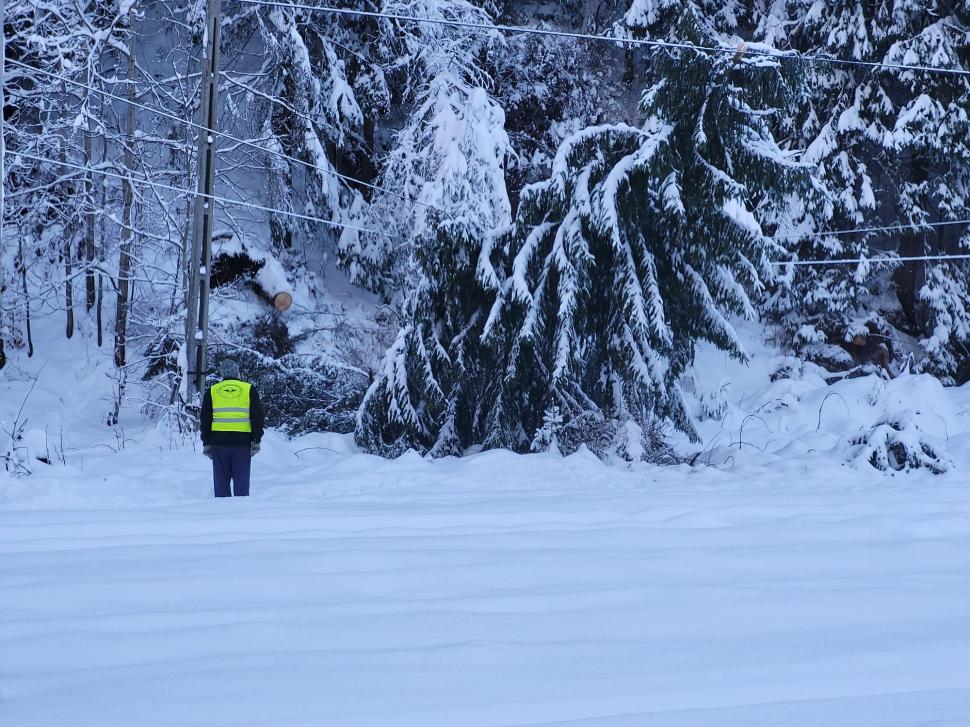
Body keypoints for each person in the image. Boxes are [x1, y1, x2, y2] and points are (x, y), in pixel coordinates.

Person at [200, 360, 264, 497]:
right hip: (242, 444)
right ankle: (240, 514)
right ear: (237, 372)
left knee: (221, 485)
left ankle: (223, 514)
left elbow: (205, 419)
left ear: (222, 373)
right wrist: (257, 439)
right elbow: (257, 417)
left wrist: (206, 442)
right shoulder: (249, 389)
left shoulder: (213, 391)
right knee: (241, 485)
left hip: (218, 443)